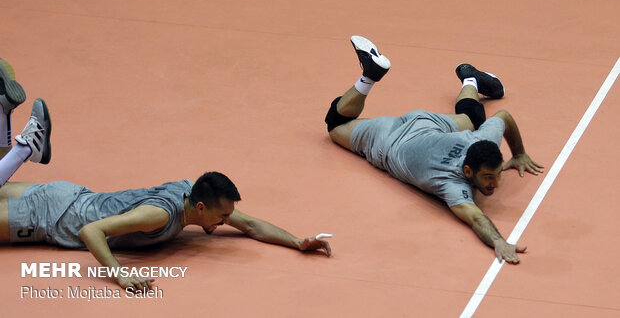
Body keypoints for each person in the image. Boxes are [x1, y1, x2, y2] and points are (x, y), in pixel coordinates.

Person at [0, 58, 331, 291]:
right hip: (46, 218)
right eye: (222, 216)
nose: (226, 222)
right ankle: (24, 148)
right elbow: (91, 231)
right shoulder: (159, 214)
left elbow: (252, 225)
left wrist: (297, 242)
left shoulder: (193, 191)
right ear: (201, 208)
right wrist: (121, 276)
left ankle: (9, 127)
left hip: (68, 195)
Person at [324, 36, 544, 264]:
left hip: (428, 124)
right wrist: (498, 240)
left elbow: (504, 117)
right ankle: (369, 76)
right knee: (335, 126)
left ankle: (471, 78)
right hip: (387, 139)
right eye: (488, 177)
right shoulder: (451, 183)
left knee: (472, 118)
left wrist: (519, 154)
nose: (495, 184)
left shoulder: (481, 141)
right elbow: (477, 218)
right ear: (468, 172)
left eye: (497, 175)